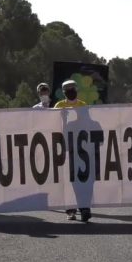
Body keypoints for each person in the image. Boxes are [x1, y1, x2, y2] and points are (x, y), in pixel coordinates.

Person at [53, 80, 92, 222]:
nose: (70, 91)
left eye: (72, 88)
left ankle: (84, 208)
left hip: (81, 148)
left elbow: (88, 124)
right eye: (67, 89)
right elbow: (54, 125)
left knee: (82, 178)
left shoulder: (83, 105)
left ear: (76, 89)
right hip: (65, 147)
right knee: (68, 180)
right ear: (64, 92)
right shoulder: (59, 106)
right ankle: (70, 210)